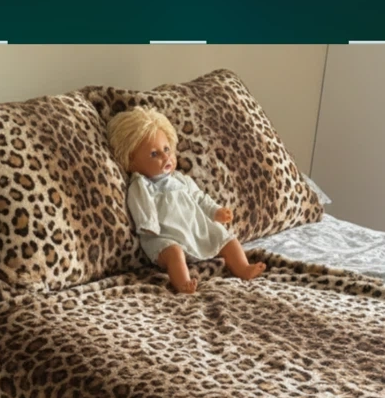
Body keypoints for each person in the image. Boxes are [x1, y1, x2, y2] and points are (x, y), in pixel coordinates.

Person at [108, 106, 266, 295]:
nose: (165, 156)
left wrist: (215, 211)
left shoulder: (180, 179)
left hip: (194, 230)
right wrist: (148, 225)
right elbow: (141, 207)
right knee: (174, 253)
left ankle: (243, 268)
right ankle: (183, 284)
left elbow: (199, 197)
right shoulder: (141, 185)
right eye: (154, 154)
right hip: (163, 236)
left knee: (225, 237)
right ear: (131, 160)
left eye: (166, 149)